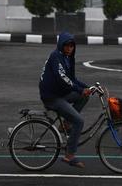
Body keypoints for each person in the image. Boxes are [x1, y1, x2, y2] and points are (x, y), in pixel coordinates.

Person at [39, 32, 91, 168]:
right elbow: (62, 78)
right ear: (61, 45)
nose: (69, 48)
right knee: (79, 121)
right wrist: (80, 89)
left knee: (85, 96)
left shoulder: (68, 58)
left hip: (60, 93)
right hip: (51, 96)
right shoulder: (56, 56)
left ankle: (66, 124)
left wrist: (87, 88)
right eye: (66, 45)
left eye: (71, 46)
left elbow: (72, 79)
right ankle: (70, 155)